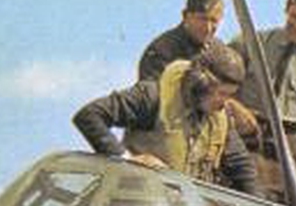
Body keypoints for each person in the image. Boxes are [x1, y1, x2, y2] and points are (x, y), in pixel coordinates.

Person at [73, 42, 260, 196]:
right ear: (202, 83)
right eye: (222, 94)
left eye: (230, 96)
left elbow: (242, 169)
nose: (225, 104)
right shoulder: (152, 96)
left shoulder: (220, 119)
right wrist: (126, 160)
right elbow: (89, 115)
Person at [227, 0, 296, 201]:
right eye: (295, 17)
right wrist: (234, 107)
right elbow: (216, 85)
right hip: (248, 139)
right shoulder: (249, 43)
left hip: (291, 148)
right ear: (286, 9)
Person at [138, 0, 226, 81]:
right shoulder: (161, 52)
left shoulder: (220, 51)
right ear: (186, 16)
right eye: (202, 19)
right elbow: (152, 88)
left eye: (214, 21)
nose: (208, 28)